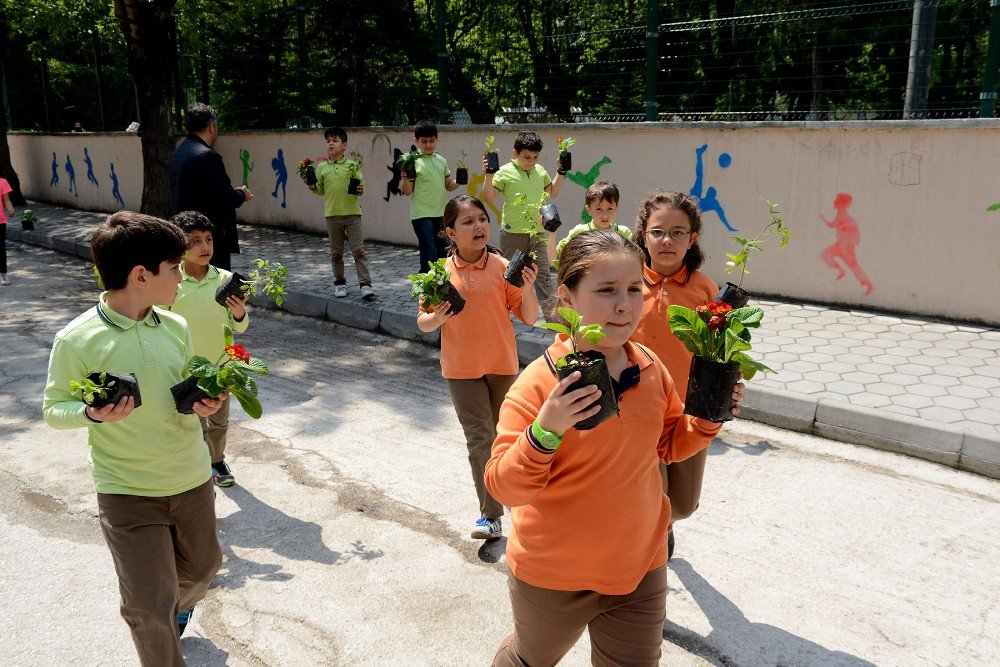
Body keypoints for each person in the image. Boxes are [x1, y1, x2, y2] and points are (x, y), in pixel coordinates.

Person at [485, 230, 744, 666]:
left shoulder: (648, 365)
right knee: (529, 659)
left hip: (639, 565)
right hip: (554, 575)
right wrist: (544, 432)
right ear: (566, 298)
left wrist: (706, 419)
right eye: (606, 291)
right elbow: (504, 488)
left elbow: (666, 444)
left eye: (632, 289)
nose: (624, 304)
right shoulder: (538, 385)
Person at [42, 211, 226, 666]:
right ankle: (159, 623)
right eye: (174, 269)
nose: (182, 278)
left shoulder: (176, 327)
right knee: (148, 606)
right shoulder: (77, 339)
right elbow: (53, 409)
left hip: (190, 478)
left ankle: (173, 608)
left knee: (203, 571)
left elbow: (186, 384)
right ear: (141, 276)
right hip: (126, 491)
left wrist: (205, 399)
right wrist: (89, 412)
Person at [416, 195, 538, 541]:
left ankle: (521, 501)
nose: (478, 226)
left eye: (482, 219)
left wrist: (527, 288)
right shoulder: (439, 273)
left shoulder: (502, 267)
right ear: (450, 233)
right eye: (468, 222)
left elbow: (528, 317)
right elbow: (422, 321)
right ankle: (490, 515)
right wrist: (435, 318)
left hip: (502, 366)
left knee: (509, 438)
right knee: (479, 439)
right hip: (460, 370)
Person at [630, 190, 719, 558]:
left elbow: (717, 353)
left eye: (678, 232)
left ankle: (667, 520)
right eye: (657, 232)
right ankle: (652, 538)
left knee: (683, 503)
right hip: (635, 408)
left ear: (692, 238)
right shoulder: (627, 282)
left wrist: (724, 389)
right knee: (651, 493)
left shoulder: (705, 289)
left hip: (685, 410)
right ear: (644, 236)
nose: (667, 240)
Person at [169, 211, 251, 487]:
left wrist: (239, 312)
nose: (204, 247)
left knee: (219, 421)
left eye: (208, 239)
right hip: (184, 368)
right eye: (194, 241)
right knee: (191, 421)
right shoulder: (171, 282)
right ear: (180, 246)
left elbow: (240, 327)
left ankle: (216, 460)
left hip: (220, 366)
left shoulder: (225, 279)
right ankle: (196, 466)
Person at [482, 131, 565, 317]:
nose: (531, 161)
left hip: (537, 233)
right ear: (515, 153)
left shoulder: (540, 171)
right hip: (513, 234)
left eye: (535, 157)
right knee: (511, 276)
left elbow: (552, 191)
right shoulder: (504, 172)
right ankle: (505, 313)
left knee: (543, 276)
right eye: (527, 157)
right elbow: (489, 197)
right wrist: (488, 175)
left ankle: (553, 319)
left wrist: (562, 171)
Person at [168, 103, 253, 270]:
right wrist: (242, 194)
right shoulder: (207, 156)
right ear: (212, 126)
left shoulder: (180, 152)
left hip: (186, 231)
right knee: (215, 283)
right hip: (208, 234)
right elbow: (225, 197)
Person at [303, 126, 376, 300]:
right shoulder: (321, 167)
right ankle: (340, 283)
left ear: (344, 145)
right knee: (336, 253)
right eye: (328, 141)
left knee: (358, 251)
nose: (331, 144)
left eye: (335, 141)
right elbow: (320, 190)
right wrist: (312, 186)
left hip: (353, 215)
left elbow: (362, 186)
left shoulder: (352, 165)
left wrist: (359, 189)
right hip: (332, 215)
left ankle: (365, 285)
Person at [401, 119, 460, 272]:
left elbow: (448, 185)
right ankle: (425, 288)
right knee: (429, 251)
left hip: (441, 215)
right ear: (416, 141)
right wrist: (405, 178)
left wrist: (459, 181)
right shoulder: (412, 161)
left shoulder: (441, 160)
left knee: (445, 250)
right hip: (421, 215)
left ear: (437, 140)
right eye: (424, 141)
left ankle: (442, 286)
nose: (428, 145)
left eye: (432, 141)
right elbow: (407, 191)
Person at [553, 181, 632, 267]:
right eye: (598, 209)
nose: (605, 215)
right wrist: (551, 233)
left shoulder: (624, 233)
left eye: (610, 208)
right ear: (588, 210)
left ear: (616, 208)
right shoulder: (580, 232)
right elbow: (555, 258)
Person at [0, 176, 13, 285]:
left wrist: (10, 209)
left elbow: (6, 199)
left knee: (1, 248)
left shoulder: (2, 182)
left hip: (0, 221)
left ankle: (3, 274)